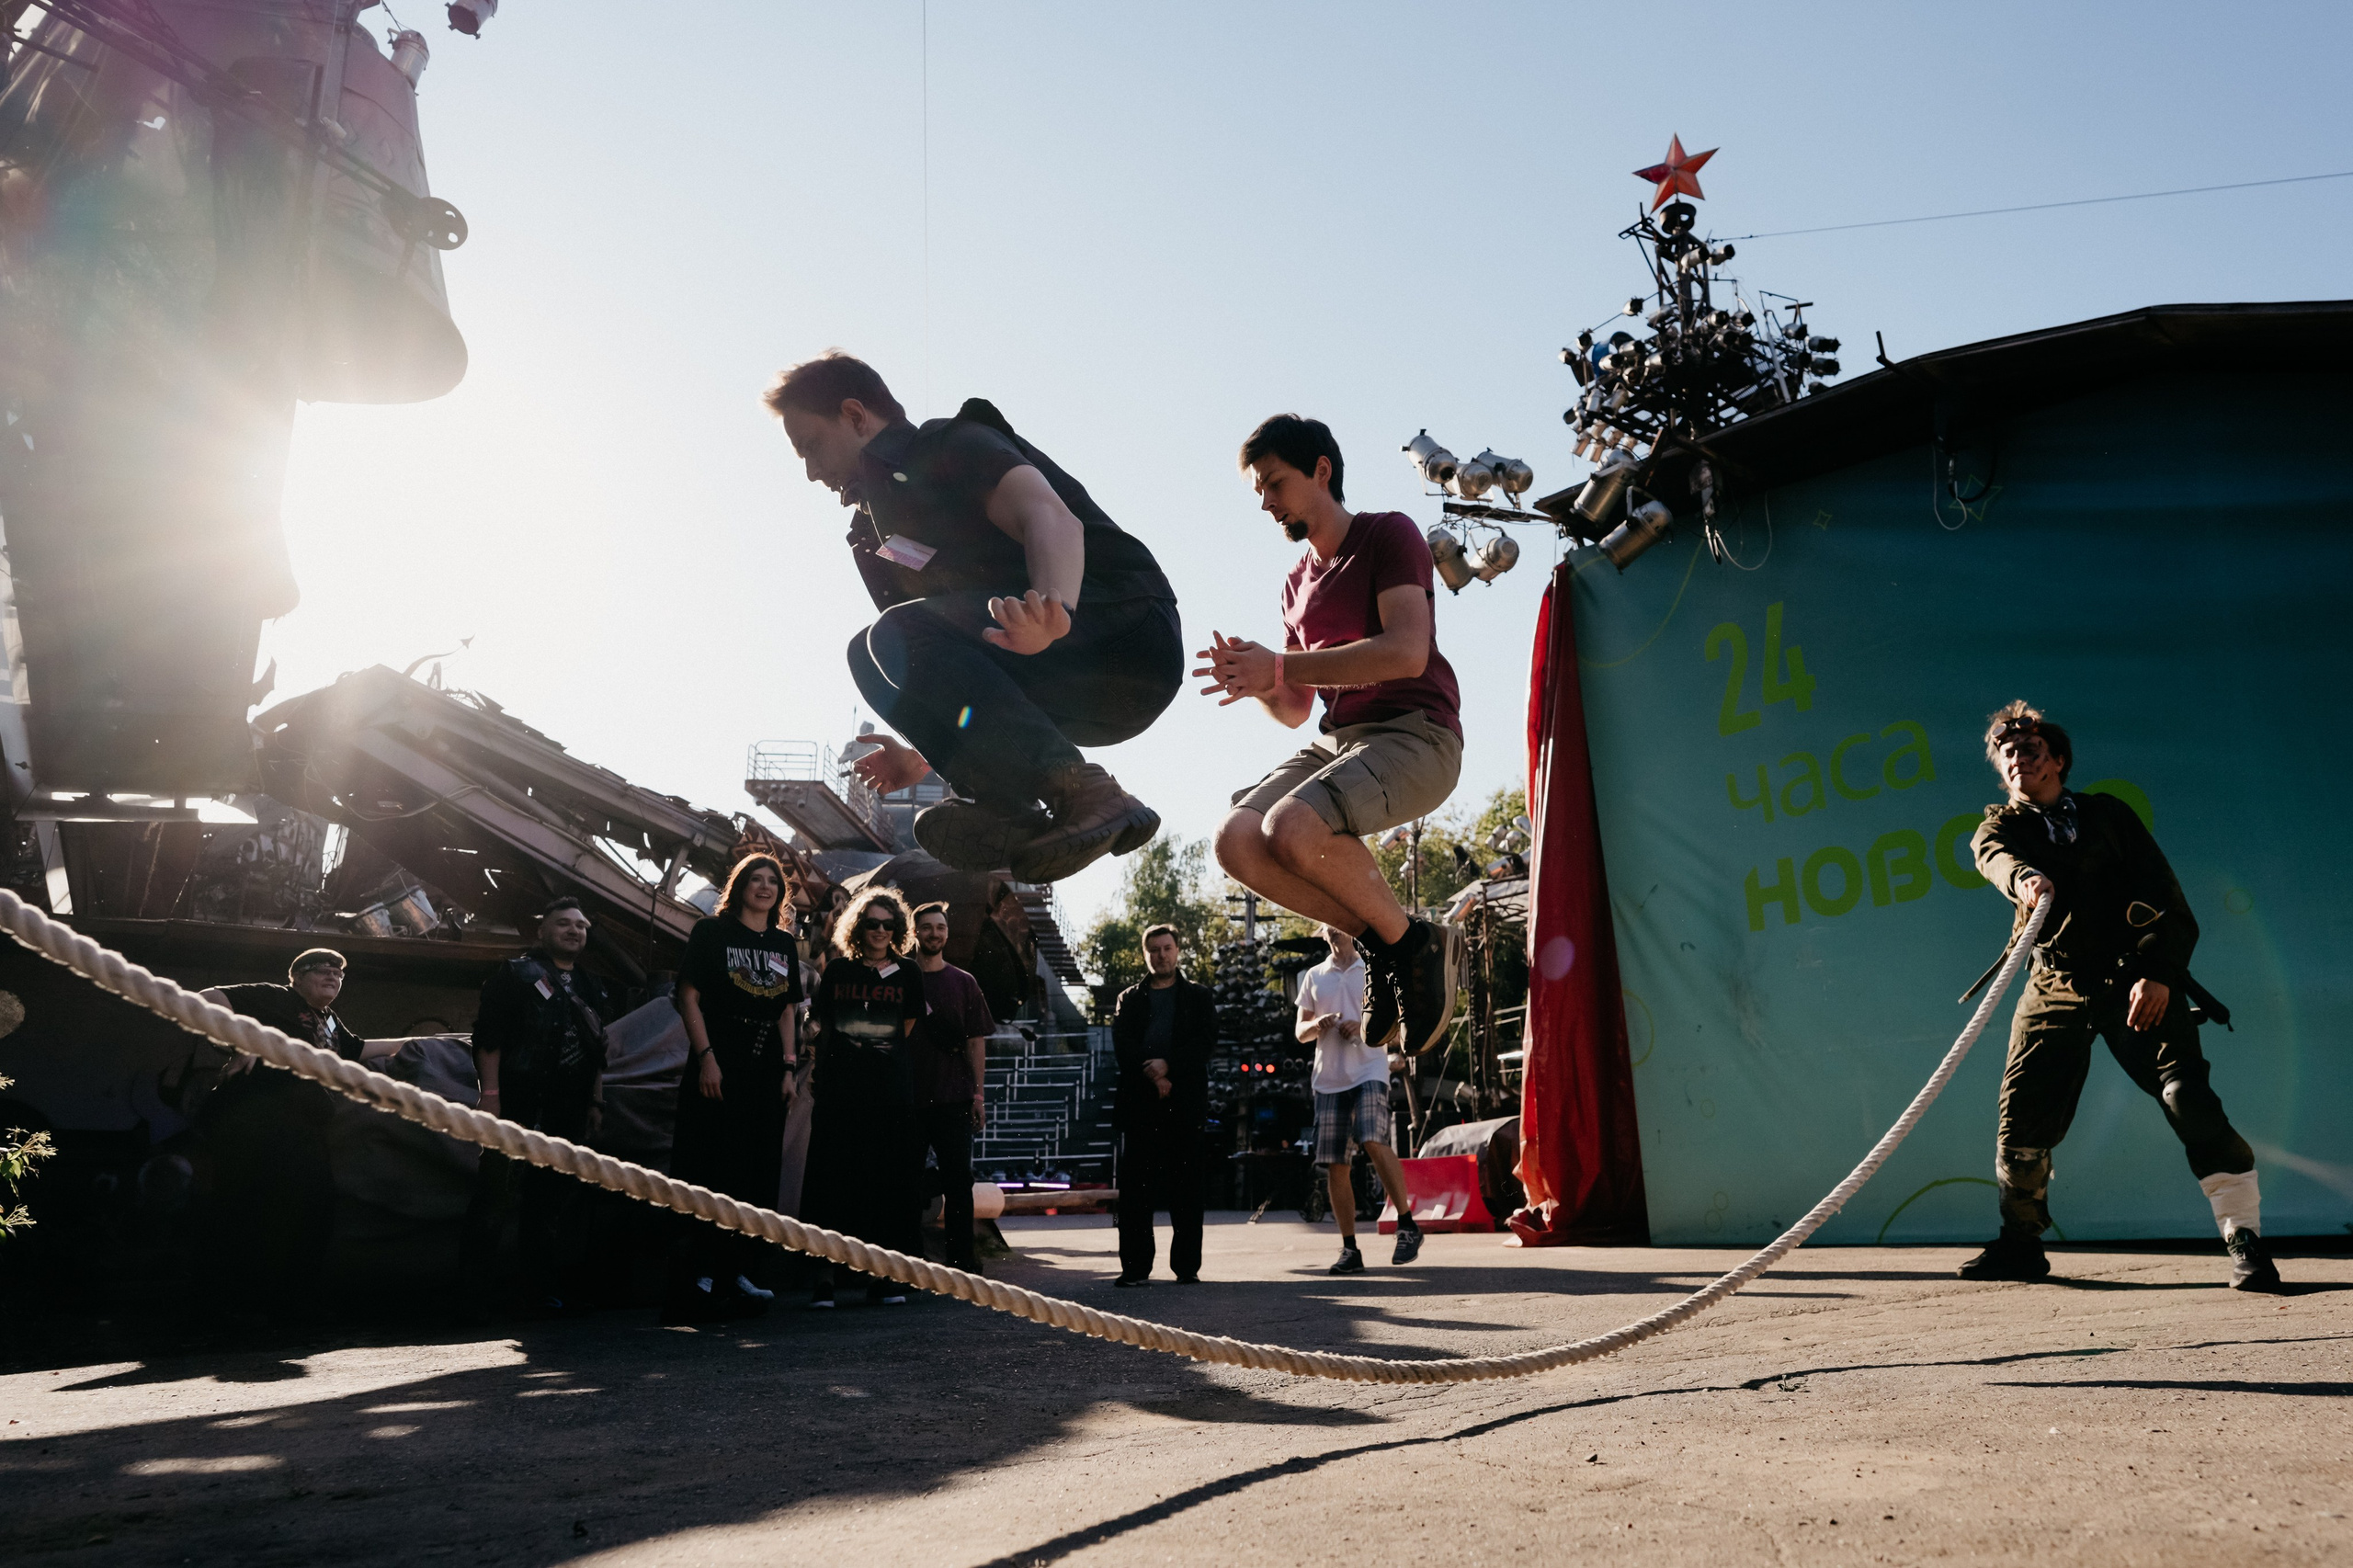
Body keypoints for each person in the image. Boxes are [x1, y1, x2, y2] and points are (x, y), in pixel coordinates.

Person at [765, 352, 1183, 881]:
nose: (810, 472)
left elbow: (1050, 517)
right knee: (869, 652)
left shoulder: (949, 445)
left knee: (896, 632)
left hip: (1126, 634)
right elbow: (940, 663)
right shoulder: (873, 536)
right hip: (1069, 692)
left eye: (811, 446)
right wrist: (920, 753)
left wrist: (1053, 612)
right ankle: (1006, 807)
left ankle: (1083, 789)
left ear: (854, 415)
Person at [1961, 701, 2284, 1292]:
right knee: (2024, 1122)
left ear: (2058, 760)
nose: (2016, 758)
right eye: (2006, 753)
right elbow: (1994, 859)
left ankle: (2245, 1238)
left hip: (2135, 977)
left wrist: (2158, 973)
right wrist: (2024, 879)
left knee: (2188, 1099)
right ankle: (2021, 1244)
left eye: (2029, 749)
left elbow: (2167, 898)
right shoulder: (1999, 829)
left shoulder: (2109, 816)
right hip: (2054, 983)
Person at [1197, 415, 1461, 1056]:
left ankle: (1419, 948)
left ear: (1321, 471)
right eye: (1259, 490)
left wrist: (1280, 666)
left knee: (1291, 826)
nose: (1266, 502)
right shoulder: (1294, 585)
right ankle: (1386, 943)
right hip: (1339, 742)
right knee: (1236, 840)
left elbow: (1406, 652)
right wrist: (1259, 682)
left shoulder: (1386, 534)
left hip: (1416, 735)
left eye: (1274, 484)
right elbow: (1294, 709)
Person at [665, 856, 806, 1324]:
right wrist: (707, 1058)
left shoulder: (783, 943)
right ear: (740, 885)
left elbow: (787, 1009)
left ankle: (737, 1272)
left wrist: (789, 1068)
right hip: (720, 1055)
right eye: (755, 879)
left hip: (767, 1064)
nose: (764, 887)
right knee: (709, 1164)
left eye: (772, 881)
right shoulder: (712, 932)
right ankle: (698, 1276)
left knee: (756, 1169)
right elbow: (688, 997)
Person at [194, 949, 365, 1313]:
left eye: (338, 973)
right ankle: (230, 1306)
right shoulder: (276, 997)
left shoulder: (328, 1022)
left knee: (312, 1208)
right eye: (322, 970)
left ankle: (288, 1305)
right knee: (247, 1209)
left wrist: (438, 1042)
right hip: (258, 1120)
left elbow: (360, 1049)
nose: (333, 976)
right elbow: (208, 998)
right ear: (298, 977)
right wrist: (241, 1041)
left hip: (303, 1129)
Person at [472, 898, 617, 1314]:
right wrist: (491, 1096)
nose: (574, 931)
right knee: (494, 1199)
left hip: (568, 1107)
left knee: (550, 1202)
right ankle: (474, 1297)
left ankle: (538, 1292)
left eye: (581, 926)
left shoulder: (592, 984)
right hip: (517, 1102)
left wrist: (596, 1099)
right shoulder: (515, 974)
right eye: (563, 923)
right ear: (542, 931)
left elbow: (597, 1050)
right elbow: (489, 1038)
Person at [801, 886, 930, 1307]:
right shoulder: (838, 971)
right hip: (840, 1092)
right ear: (858, 926)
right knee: (831, 1181)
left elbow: (905, 1027)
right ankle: (824, 1278)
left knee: (886, 1183)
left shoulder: (908, 972)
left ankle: (882, 1275)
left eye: (888, 924)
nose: (880, 930)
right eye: (872, 923)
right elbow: (823, 1028)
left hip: (889, 1093)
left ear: (898, 929)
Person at [1296, 926, 1423, 1273]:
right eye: (1329, 927)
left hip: (1369, 1070)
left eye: (1340, 925)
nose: (1335, 930)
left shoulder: (1372, 968)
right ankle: (1350, 1250)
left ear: (1351, 929)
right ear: (1323, 933)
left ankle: (1407, 1224)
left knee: (1372, 1139)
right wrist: (1318, 1024)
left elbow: (1397, 1025)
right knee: (1336, 1162)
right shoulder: (1314, 976)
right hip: (1329, 1079)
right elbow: (1300, 1032)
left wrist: (1363, 1026)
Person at [1108, 924, 1216, 1287]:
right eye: (1154, 950)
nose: (1161, 955)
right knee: (1136, 1191)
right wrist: (1155, 1075)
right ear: (1145, 954)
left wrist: (1169, 1066)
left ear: (1177, 950)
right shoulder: (1129, 998)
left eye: (1167, 948)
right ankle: (1135, 1268)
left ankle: (1186, 1267)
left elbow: (1205, 1043)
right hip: (1141, 1103)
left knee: (1186, 1188)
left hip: (1184, 1103)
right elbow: (1123, 1045)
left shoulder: (1199, 997)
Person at [909, 902, 995, 1273]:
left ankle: (963, 1263)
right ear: (915, 932)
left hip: (954, 1097)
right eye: (927, 927)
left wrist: (978, 1095)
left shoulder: (964, 982)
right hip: (908, 1098)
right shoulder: (900, 977)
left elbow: (976, 1041)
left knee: (959, 1183)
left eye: (940, 927)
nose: (934, 934)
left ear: (947, 932)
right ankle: (907, 1262)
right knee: (906, 1182)